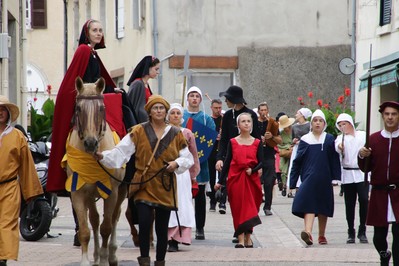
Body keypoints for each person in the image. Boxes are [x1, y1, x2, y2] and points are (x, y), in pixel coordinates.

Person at [47, 19, 122, 246]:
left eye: (101, 30)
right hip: (85, 101)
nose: (98, 33)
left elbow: (101, 82)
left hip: (95, 96)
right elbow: (77, 83)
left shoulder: (92, 54)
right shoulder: (83, 51)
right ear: (86, 33)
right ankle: (80, 225)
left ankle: (126, 162)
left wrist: (112, 89)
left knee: (124, 102)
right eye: (94, 30)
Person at [94, 95, 194, 266]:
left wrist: (176, 163)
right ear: (149, 111)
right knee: (145, 223)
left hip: (165, 185)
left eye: (162, 108)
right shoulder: (138, 131)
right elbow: (121, 151)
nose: (159, 111)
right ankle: (145, 262)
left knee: (161, 228)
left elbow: (188, 158)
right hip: (144, 185)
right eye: (155, 108)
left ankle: (160, 261)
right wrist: (103, 156)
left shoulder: (176, 134)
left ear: (166, 112)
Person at [0, 96, 44, 265]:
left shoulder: (18, 136)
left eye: (3, 109)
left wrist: (30, 192)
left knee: (7, 223)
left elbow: (26, 165)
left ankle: (2, 259)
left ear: (8, 113)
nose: (0, 112)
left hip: (10, 187)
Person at [289, 109, 341, 246]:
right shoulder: (305, 140)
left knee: (323, 206)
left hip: (325, 177)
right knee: (309, 204)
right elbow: (297, 162)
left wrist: (336, 177)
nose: (318, 123)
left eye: (320, 121)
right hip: (309, 178)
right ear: (311, 124)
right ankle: (308, 232)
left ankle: (322, 235)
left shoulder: (329, 139)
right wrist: (292, 182)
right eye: (315, 120)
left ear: (324, 124)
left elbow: (334, 159)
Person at [358, 101, 399, 266]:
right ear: (383, 116)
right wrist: (362, 155)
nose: (390, 117)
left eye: (394, 114)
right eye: (387, 114)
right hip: (379, 193)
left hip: (398, 193)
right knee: (378, 237)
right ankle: (384, 254)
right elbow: (364, 168)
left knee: (398, 235)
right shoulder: (373, 139)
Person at [215, 112, 263, 248]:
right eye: (243, 121)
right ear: (238, 125)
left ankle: (248, 237)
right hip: (236, 179)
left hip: (251, 180)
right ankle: (241, 239)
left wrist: (253, 170)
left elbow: (262, 162)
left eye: (249, 121)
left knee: (250, 209)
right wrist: (220, 181)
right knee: (238, 209)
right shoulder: (233, 142)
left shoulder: (257, 142)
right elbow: (228, 160)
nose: (246, 123)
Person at [181, 86, 216, 240]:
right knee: (183, 197)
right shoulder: (180, 116)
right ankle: (183, 226)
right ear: (187, 98)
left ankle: (200, 227)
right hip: (182, 164)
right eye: (191, 96)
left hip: (200, 164)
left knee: (200, 197)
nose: (194, 98)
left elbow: (210, 140)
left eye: (197, 96)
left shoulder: (206, 119)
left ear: (200, 99)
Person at [166, 103, 200, 252]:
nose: (175, 115)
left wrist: (193, 175)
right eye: (172, 113)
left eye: (178, 113)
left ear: (182, 116)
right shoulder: (163, 132)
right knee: (168, 204)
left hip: (182, 173)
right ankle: (169, 239)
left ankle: (182, 236)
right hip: (166, 173)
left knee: (183, 204)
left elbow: (193, 154)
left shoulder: (187, 133)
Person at [334, 113, 369, 244]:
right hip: (348, 175)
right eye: (340, 125)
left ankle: (362, 230)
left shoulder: (362, 135)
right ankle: (351, 231)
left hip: (361, 173)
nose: (342, 127)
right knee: (350, 204)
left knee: (364, 200)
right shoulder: (340, 138)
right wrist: (340, 147)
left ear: (350, 123)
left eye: (344, 123)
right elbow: (338, 147)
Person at [257, 102, 282, 216]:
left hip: (268, 155)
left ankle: (267, 207)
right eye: (261, 110)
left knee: (269, 182)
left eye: (265, 110)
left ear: (268, 111)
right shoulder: (254, 123)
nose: (263, 112)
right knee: (255, 182)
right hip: (256, 156)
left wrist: (271, 136)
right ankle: (255, 205)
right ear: (258, 111)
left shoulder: (272, 124)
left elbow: (279, 140)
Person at [126, 55, 161, 124]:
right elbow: (131, 107)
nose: (158, 72)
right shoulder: (137, 84)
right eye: (156, 69)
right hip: (138, 124)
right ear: (148, 68)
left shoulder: (146, 84)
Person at [287, 107, 312, 198]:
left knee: (304, 166)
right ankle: (293, 186)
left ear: (302, 114)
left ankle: (302, 186)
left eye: (297, 113)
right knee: (294, 166)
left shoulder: (309, 125)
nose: (295, 115)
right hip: (297, 148)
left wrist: (301, 141)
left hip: (306, 148)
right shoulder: (294, 126)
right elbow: (292, 139)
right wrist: (293, 141)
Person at [207, 99, 226, 214]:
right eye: (216, 108)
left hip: (222, 152)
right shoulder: (208, 120)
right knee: (212, 176)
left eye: (219, 107)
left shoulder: (224, 119)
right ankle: (213, 201)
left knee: (223, 176)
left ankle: (223, 201)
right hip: (211, 151)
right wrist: (214, 136)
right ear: (211, 108)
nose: (218, 110)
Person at [277, 115, 295, 197]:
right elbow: (279, 145)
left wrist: (293, 146)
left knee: (292, 169)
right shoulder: (281, 134)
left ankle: (290, 189)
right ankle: (284, 186)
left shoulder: (294, 130)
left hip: (294, 151)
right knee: (283, 169)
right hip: (285, 153)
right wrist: (287, 147)